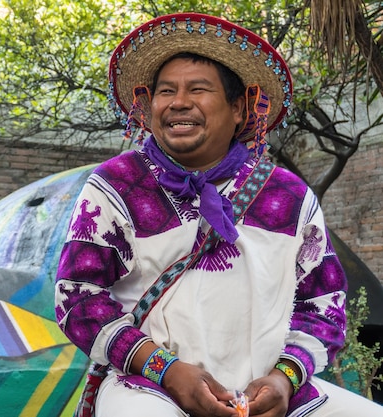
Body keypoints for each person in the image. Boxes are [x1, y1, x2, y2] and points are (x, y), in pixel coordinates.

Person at [54, 12, 383, 417]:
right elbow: (78, 300)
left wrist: (284, 378)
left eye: (198, 89)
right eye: (165, 91)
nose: (178, 103)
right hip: (148, 386)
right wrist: (167, 371)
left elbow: (325, 304)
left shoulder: (289, 195)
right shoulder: (116, 185)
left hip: (267, 393)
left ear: (240, 109)